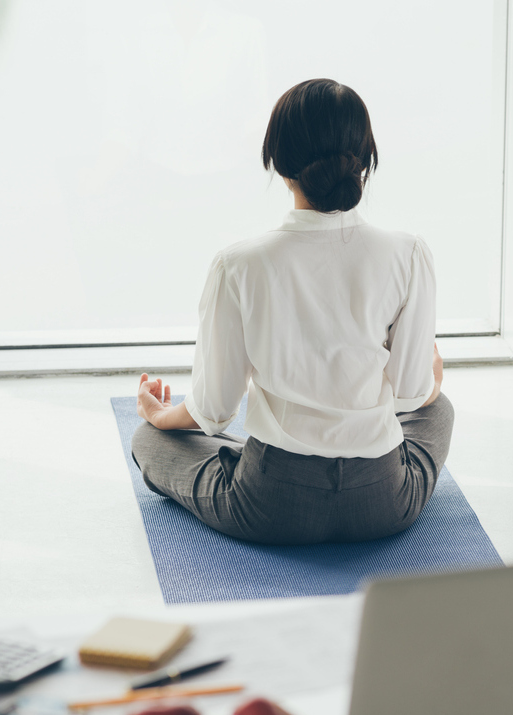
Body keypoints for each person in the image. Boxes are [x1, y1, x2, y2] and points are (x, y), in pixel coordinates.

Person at [131, 78, 450, 546]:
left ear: (278, 165)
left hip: (272, 505)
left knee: (147, 442)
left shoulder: (238, 264)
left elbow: (214, 411)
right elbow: (412, 395)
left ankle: (233, 458)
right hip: (382, 502)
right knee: (439, 412)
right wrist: (432, 375)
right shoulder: (409, 254)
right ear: (365, 161)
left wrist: (161, 419)